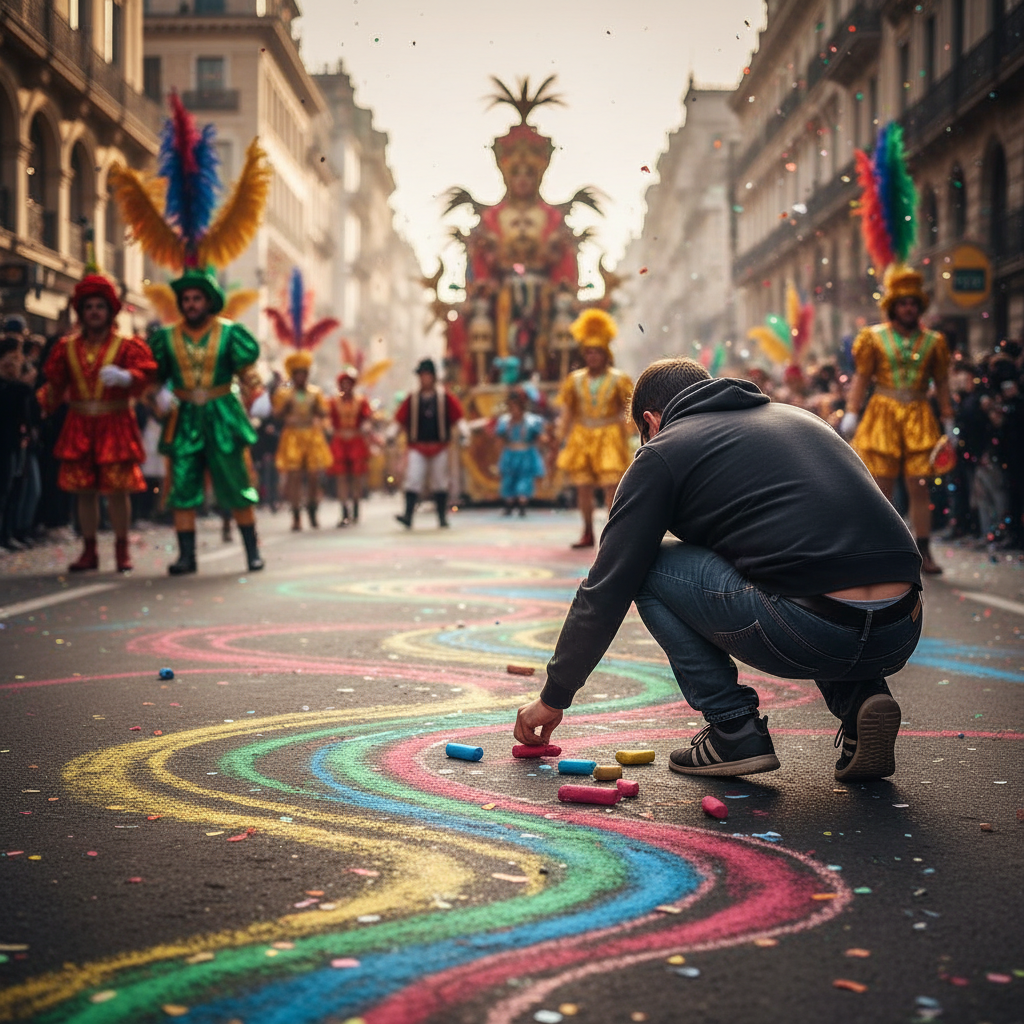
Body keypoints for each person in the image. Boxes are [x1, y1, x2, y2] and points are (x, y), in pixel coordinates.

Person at [514, 358, 924, 782]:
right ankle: (862, 699)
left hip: (809, 628)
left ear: (651, 421)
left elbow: (607, 585)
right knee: (808, 562)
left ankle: (733, 728)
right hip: (900, 626)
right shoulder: (800, 418)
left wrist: (554, 695)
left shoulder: (663, 450)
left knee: (647, 565)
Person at [147, 266, 265, 575]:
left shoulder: (229, 333)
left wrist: (258, 392)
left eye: (197, 298)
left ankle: (252, 552)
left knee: (237, 483)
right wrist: (155, 395)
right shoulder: (167, 338)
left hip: (222, 415)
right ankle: (187, 557)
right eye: (185, 299)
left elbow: (247, 371)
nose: (190, 304)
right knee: (182, 486)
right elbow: (153, 378)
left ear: (209, 301)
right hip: (184, 418)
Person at [35, 275, 156, 571]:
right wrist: (39, 407)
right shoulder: (66, 347)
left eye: (99, 306)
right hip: (79, 423)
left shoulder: (128, 346)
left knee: (117, 490)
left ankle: (121, 549)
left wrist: (129, 377)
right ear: (81, 312)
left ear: (110, 311)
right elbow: (54, 383)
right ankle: (89, 550)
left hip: (115, 422)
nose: (94, 312)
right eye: (88, 307)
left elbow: (149, 372)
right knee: (83, 490)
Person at [840, 266, 953, 575]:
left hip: (919, 414)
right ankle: (879, 550)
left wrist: (948, 419)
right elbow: (862, 377)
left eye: (913, 303)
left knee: (919, 486)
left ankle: (924, 553)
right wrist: (852, 410)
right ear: (893, 306)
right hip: (882, 414)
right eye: (902, 303)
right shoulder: (873, 338)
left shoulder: (934, 341)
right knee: (881, 486)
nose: (908, 308)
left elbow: (942, 382)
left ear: (919, 306)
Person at [555, 308, 634, 548]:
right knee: (583, 487)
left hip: (610, 436)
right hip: (582, 436)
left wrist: (633, 436)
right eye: (588, 352)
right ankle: (587, 531)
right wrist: (560, 436)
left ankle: (611, 535)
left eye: (597, 352)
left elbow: (628, 409)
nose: (592, 357)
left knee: (612, 487)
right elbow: (568, 411)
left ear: (605, 353)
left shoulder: (619, 379)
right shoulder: (574, 380)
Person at [394, 358, 464, 529]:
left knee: (440, 482)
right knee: (413, 479)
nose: (424, 379)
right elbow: (399, 420)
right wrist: (391, 434)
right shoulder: (412, 398)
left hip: (439, 447)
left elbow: (458, 418)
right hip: (417, 447)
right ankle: (408, 515)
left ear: (433, 377)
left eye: (427, 375)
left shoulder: (445, 397)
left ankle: (442, 517)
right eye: (421, 376)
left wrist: (464, 433)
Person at [271, 351, 332, 531]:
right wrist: (285, 409)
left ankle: (313, 510)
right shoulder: (284, 393)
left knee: (314, 476)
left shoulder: (315, 392)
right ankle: (296, 514)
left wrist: (318, 412)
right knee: (294, 477)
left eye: (304, 374)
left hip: (312, 437)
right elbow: (276, 414)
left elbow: (324, 411)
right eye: (297, 374)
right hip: (292, 437)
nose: (301, 377)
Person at [328, 366, 372, 527]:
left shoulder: (362, 401)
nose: (346, 387)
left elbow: (367, 417)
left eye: (349, 383)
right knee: (341, 477)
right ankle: (344, 510)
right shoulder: (333, 402)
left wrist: (366, 427)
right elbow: (329, 419)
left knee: (356, 477)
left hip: (356, 441)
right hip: (340, 441)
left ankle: (355, 505)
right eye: (343, 384)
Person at [495, 386, 545, 516]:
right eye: (511, 406)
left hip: (525, 454)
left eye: (516, 406)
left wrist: (543, 443)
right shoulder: (505, 421)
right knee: (508, 480)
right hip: (510, 453)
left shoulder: (531, 421)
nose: (513, 410)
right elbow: (500, 439)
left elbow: (539, 437)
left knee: (525, 480)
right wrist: (500, 456)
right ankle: (509, 504)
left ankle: (522, 504)